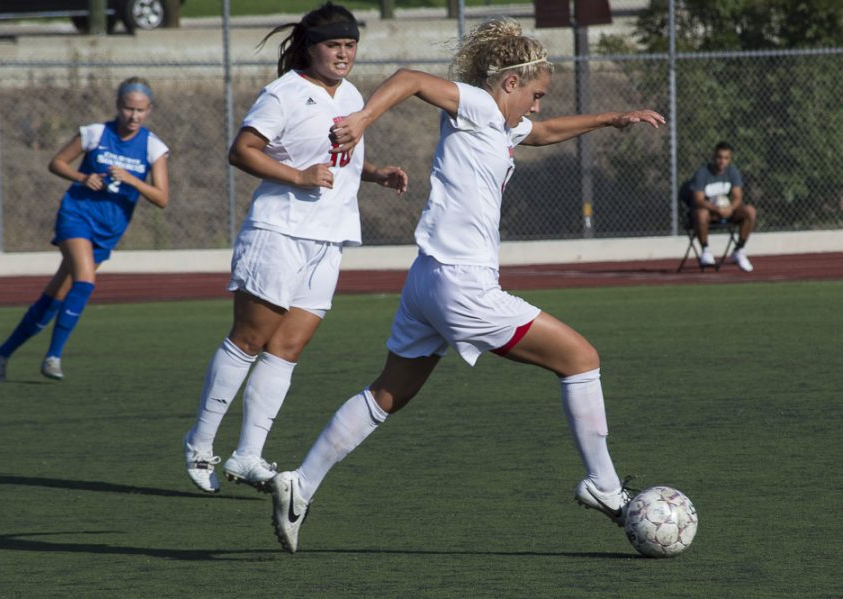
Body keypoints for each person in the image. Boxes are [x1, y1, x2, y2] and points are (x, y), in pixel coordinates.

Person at [267, 17, 666, 554]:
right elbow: (410, 78)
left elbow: (543, 133)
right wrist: (361, 119)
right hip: (463, 286)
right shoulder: (478, 106)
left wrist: (612, 119)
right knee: (582, 360)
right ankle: (605, 486)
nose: (538, 106)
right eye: (536, 94)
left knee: (388, 394)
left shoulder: (501, 124)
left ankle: (302, 484)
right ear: (508, 84)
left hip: (426, 281)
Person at [181, 2, 407, 495]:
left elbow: (329, 157)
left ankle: (248, 457)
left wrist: (375, 173)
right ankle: (200, 445)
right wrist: (298, 177)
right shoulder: (284, 93)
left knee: (287, 350)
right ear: (310, 47)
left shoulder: (351, 94)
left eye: (350, 45)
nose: (344, 54)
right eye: (334, 45)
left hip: (328, 240)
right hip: (278, 232)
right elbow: (242, 151)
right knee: (250, 340)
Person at [0, 77, 169, 382]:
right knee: (84, 281)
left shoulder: (154, 147)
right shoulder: (96, 133)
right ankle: (53, 357)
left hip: (109, 228)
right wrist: (83, 178)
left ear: (149, 110)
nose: (133, 116)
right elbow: (57, 162)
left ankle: (3, 352)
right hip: (77, 215)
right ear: (117, 106)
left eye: (140, 110)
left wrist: (133, 180)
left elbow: (162, 198)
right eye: (128, 108)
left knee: (56, 295)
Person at [686, 141, 757, 271]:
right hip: (708, 213)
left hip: (727, 212)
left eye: (726, 158)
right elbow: (698, 199)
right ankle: (705, 250)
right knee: (701, 213)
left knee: (750, 211)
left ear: (730, 159)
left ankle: (739, 249)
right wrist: (716, 209)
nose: (722, 161)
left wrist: (729, 208)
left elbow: (737, 197)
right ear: (714, 157)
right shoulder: (703, 173)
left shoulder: (732, 172)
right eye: (719, 157)